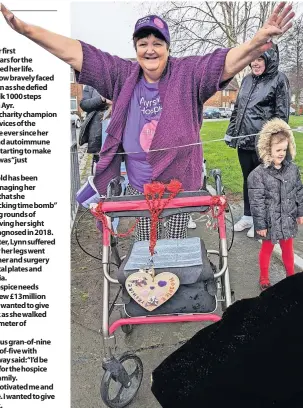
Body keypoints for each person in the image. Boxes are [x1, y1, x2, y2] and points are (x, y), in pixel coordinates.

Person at [1, 2, 295, 240]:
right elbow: (79, 53)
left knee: (175, 244)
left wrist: (256, 43)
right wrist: (27, 30)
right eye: (143, 43)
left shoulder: (188, 73)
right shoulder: (122, 74)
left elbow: (224, 61)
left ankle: (173, 288)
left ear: (168, 48)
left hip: (181, 188)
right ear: (136, 48)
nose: (150, 49)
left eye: (157, 42)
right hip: (139, 187)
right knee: (145, 243)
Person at [224, 45, 291, 238]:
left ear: (268, 59)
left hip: (264, 145)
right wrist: (231, 132)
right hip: (244, 143)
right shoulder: (245, 80)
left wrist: (274, 143)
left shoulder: (279, 80)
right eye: (253, 59)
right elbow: (238, 110)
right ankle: (248, 216)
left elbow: (281, 115)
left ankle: (264, 221)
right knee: (248, 180)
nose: (255, 63)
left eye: (260, 59)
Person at [248, 118, 303, 291]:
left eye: (284, 149)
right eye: (278, 149)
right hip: (269, 221)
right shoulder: (258, 175)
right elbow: (256, 202)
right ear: (267, 149)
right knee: (267, 248)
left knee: (288, 249)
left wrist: (300, 212)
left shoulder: (293, 170)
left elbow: (299, 191)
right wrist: (260, 224)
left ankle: (291, 277)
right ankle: (264, 277)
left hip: (287, 217)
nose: (281, 153)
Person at [79, 85, 108, 172]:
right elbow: (84, 105)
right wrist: (101, 99)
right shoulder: (90, 86)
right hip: (97, 134)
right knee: (100, 165)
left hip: (119, 130)